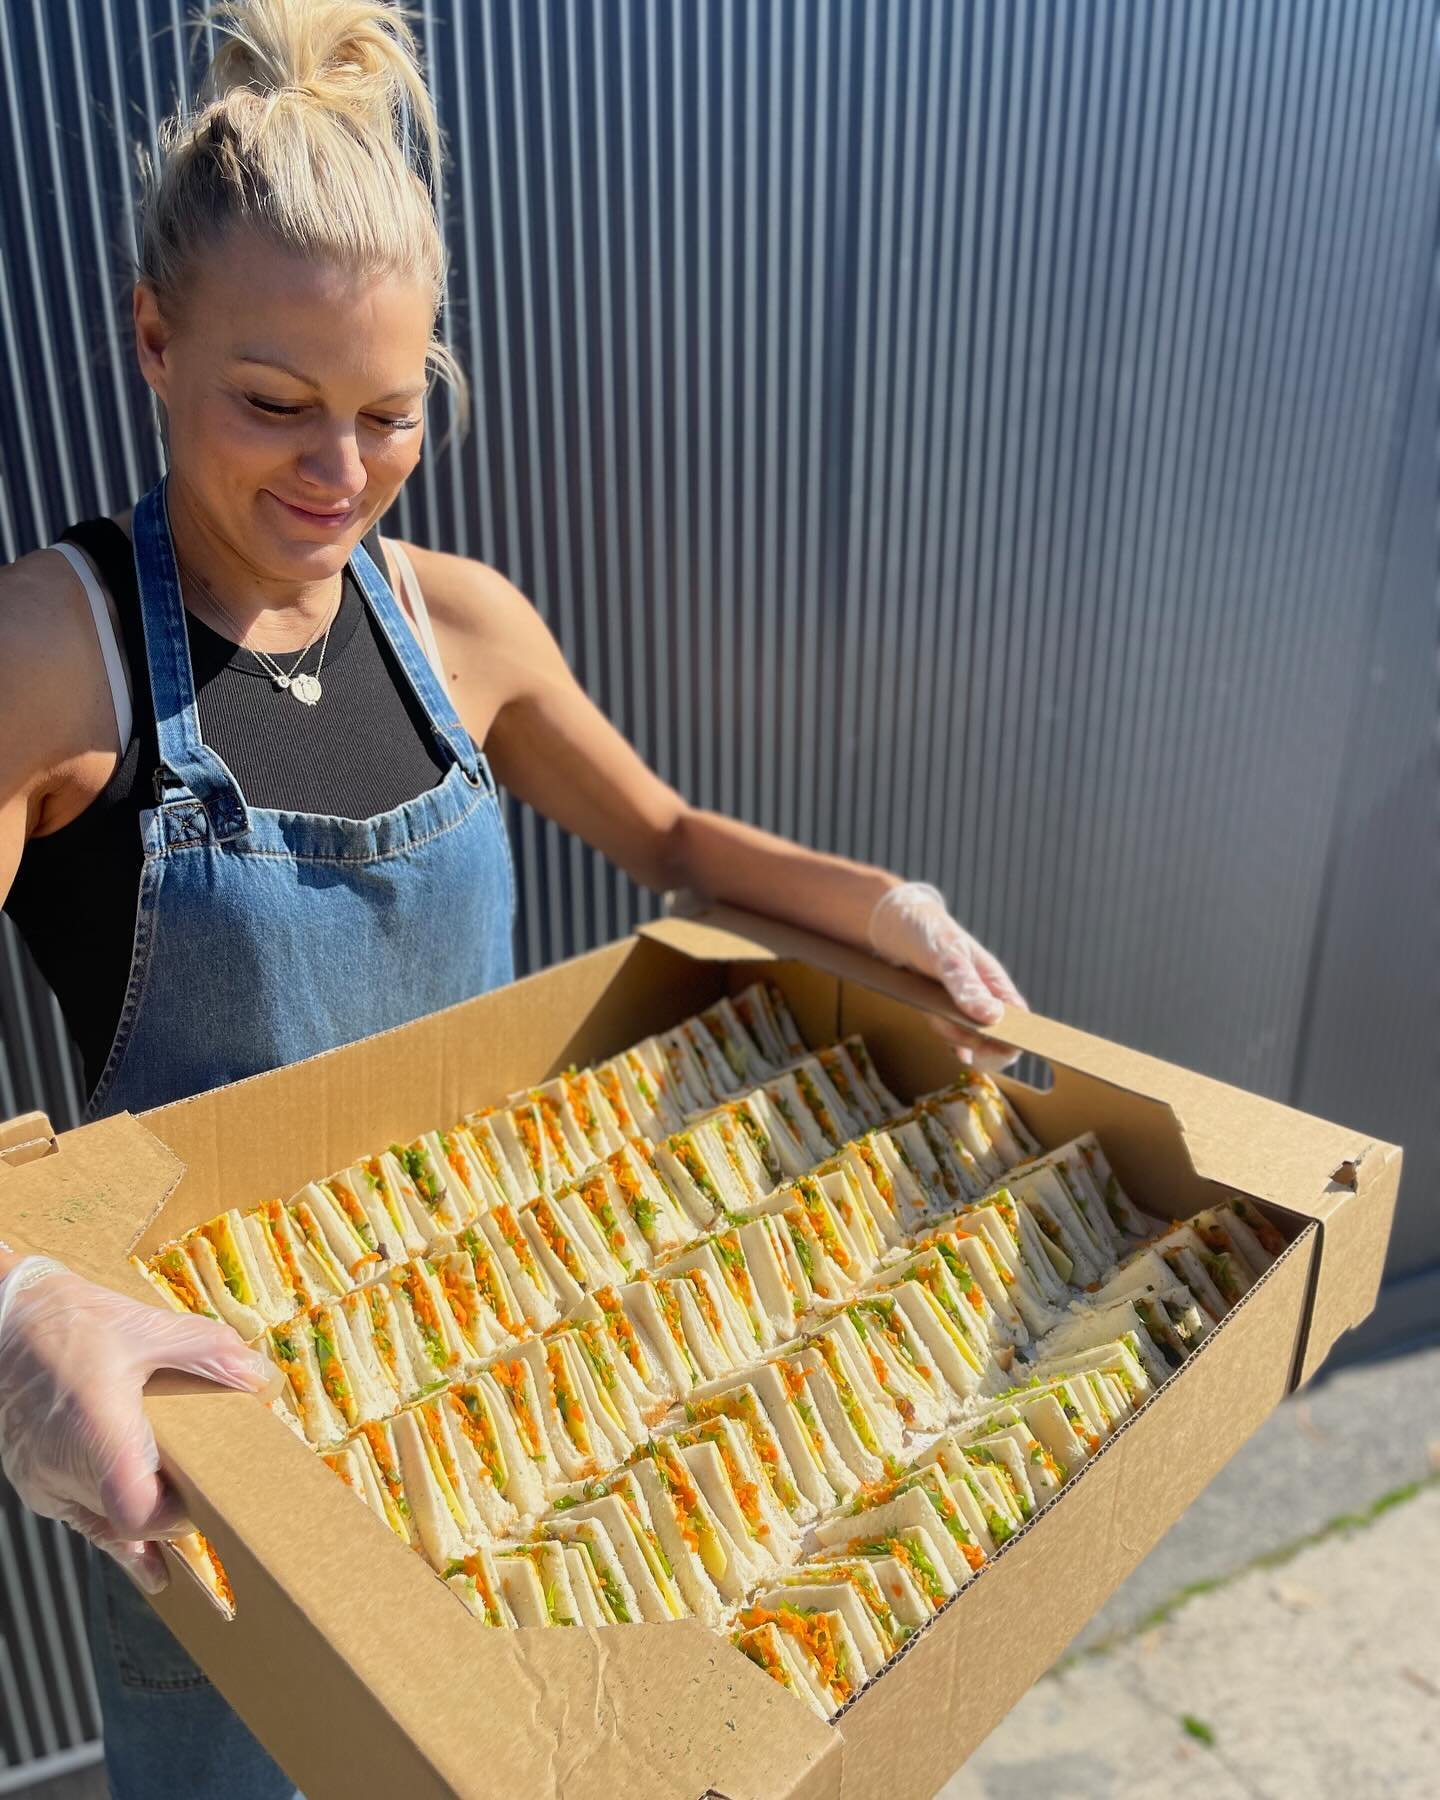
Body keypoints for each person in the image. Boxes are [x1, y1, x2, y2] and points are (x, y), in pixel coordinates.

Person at [0, 2, 1025, 1793]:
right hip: (228, 1467)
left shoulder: (457, 623)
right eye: (275, 405)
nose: (337, 474)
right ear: (153, 342)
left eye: (391, 415)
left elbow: (683, 844)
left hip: (511, 1395)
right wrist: (21, 1300)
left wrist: (889, 915)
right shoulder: (52, 652)